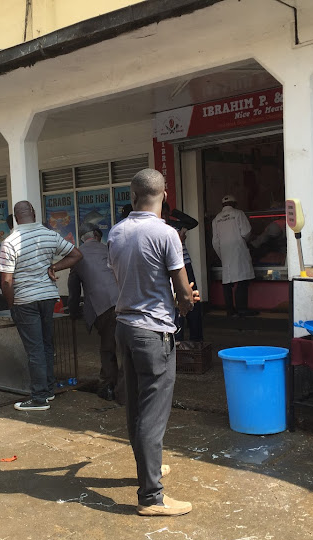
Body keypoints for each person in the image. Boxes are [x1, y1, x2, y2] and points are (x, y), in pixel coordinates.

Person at [108, 169, 198, 517]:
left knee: (136, 406)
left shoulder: (116, 232)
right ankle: (152, 497)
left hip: (125, 327)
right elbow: (183, 292)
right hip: (153, 332)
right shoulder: (166, 234)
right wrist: (188, 300)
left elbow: (127, 278)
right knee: (153, 413)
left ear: (133, 194)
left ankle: (149, 469)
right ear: (163, 193)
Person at [0, 200, 82, 411]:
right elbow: (76, 255)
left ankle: (39, 398)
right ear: (34, 214)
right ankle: (48, 389)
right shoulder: (49, 235)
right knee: (46, 345)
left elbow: (7, 281)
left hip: (25, 300)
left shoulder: (10, 241)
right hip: (48, 298)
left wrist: (12, 304)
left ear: (16, 218)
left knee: (34, 349)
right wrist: (55, 266)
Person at [68, 228, 121, 402]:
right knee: (126, 345)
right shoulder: (108, 249)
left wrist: (73, 312)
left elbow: (74, 289)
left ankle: (108, 387)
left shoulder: (77, 254)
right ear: (97, 237)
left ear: (82, 239)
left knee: (108, 347)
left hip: (103, 306)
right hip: (124, 301)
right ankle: (123, 385)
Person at [163, 203, 203, 341]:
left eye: (166, 214)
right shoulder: (160, 230)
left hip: (185, 265)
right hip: (170, 269)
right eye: (162, 214)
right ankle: (178, 340)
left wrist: (174, 212)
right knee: (176, 304)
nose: (165, 217)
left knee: (192, 302)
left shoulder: (175, 225)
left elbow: (193, 222)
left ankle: (196, 340)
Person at [211, 194, 256, 317]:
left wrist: (221, 255)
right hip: (238, 250)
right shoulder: (238, 214)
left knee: (227, 281)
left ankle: (230, 310)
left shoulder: (216, 219)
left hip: (224, 252)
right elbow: (246, 232)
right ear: (235, 204)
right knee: (242, 280)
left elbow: (215, 241)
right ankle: (242, 309)